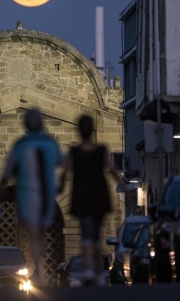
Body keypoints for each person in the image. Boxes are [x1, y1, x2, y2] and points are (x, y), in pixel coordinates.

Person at [0, 108, 63, 285]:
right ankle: (39, 268)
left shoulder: (21, 145)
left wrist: (1, 188)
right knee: (40, 233)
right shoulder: (51, 144)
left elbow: (8, 170)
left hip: (27, 195)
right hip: (47, 194)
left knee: (34, 233)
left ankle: (37, 269)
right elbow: (62, 162)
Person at [59, 114, 124, 286]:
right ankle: (97, 272)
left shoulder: (74, 152)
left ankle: (89, 269)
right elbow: (111, 169)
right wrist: (120, 182)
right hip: (99, 196)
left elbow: (65, 172)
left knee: (86, 235)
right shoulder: (101, 149)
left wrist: (60, 186)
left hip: (81, 196)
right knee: (95, 235)